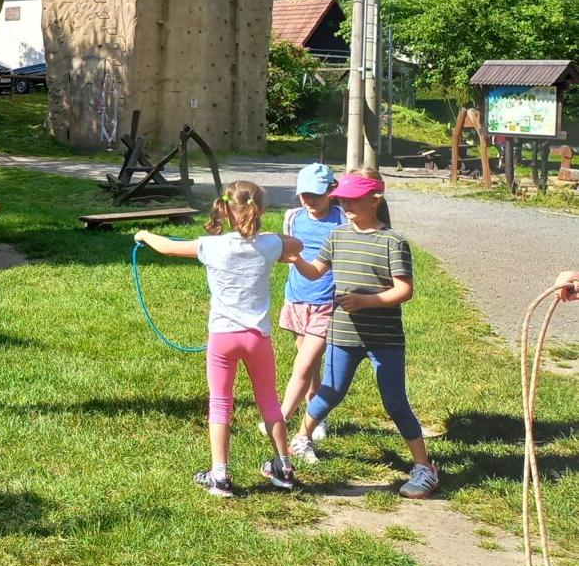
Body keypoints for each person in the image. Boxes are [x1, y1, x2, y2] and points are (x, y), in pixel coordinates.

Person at [136, 181, 303, 497]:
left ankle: (220, 475)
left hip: (223, 338)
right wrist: (276, 242)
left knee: (220, 403)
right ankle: (284, 467)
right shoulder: (269, 245)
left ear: (225, 211)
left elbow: (170, 247)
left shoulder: (210, 246)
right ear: (261, 210)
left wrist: (145, 235)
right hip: (258, 338)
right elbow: (297, 246)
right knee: (268, 400)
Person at [290, 167, 440, 499]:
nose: (345, 204)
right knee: (330, 391)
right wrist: (296, 259)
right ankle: (301, 439)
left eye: (353, 199)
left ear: (375, 199)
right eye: (342, 198)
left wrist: (365, 301)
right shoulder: (337, 236)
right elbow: (316, 271)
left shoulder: (392, 242)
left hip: (384, 338)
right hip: (343, 334)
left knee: (395, 402)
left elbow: (404, 290)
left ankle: (423, 467)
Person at [267, 162, 345, 463]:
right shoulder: (293, 217)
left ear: (331, 191)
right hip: (297, 298)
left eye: (315, 194)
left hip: (328, 302)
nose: (309, 201)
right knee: (308, 363)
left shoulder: (342, 220)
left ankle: (282, 419)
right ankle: (317, 411)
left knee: (304, 363)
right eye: (303, 195)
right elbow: (286, 254)